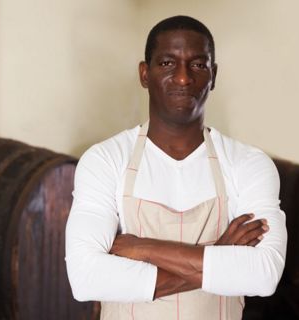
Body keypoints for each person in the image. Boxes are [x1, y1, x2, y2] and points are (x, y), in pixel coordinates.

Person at [65, 15, 287, 319]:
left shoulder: (248, 164)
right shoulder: (105, 159)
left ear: (214, 75)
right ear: (145, 74)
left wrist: (142, 248)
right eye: (168, 63)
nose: (183, 78)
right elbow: (85, 279)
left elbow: (263, 275)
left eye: (197, 64)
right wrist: (220, 256)